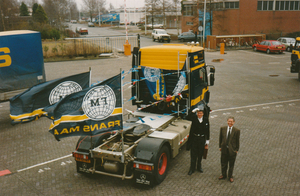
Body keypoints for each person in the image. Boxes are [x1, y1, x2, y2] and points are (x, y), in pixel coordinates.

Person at [187, 109, 210, 175]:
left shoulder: (205, 119)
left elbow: (208, 130)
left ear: (203, 114)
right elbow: (187, 117)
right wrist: (193, 111)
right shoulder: (194, 118)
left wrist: (207, 140)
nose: (199, 115)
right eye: (198, 113)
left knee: (200, 153)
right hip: (194, 138)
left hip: (202, 139)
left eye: (200, 113)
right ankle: (192, 168)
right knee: (193, 154)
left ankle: (199, 167)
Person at [219, 116, 240, 183]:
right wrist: (220, 146)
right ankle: (223, 175)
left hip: (232, 151)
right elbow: (220, 138)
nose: (230, 123)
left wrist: (236, 150)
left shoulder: (237, 131)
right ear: (227, 121)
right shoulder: (223, 129)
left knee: (231, 164)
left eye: (231, 121)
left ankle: (230, 176)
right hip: (224, 149)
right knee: (223, 163)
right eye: (229, 121)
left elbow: (237, 141)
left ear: (234, 122)